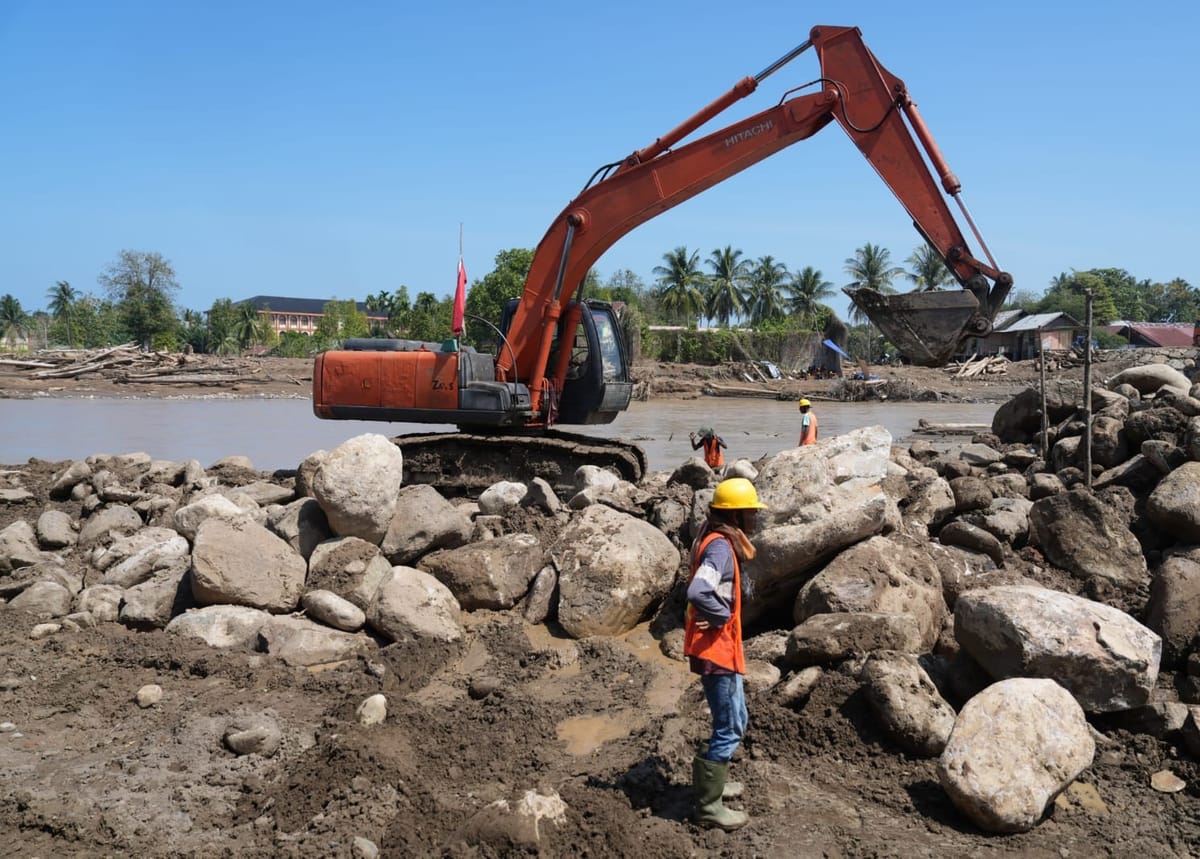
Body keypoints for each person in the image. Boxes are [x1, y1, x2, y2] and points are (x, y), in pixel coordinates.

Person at [684, 477, 767, 831]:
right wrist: (720, 617)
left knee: (736, 719)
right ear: (736, 516)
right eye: (750, 513)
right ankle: (708, 806)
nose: (754, 519)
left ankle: (715, 783)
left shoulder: (716, 534)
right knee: (729, 726)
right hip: (715, 650)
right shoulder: (720, 547)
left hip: (722, 647)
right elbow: (699, 590)